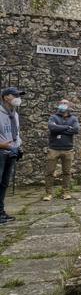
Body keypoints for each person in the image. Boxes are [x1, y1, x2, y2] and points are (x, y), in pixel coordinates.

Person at [45, 99, 80, 201]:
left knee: (67, 172)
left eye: (65, 103)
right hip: (53, 149)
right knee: (49, 172)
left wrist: (59, 128)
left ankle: (66, 192)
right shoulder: (53, 117)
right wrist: (67, 127)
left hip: (67, 149)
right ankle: (48, 193)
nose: (62, 105)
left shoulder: (73, 118)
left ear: (69, 106)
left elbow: (76, 130)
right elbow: (52, 128)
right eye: (61, 103)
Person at [0, 87, 24, 224]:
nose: (18, 97)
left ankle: (1, 212)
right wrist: (3, 145)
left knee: (4, 184)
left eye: (18, 95)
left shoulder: (14, 114)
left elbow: (16, 132)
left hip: (11, 152)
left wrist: (18, 144)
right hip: (1, 151)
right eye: (14, 95)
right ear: (5, 97)